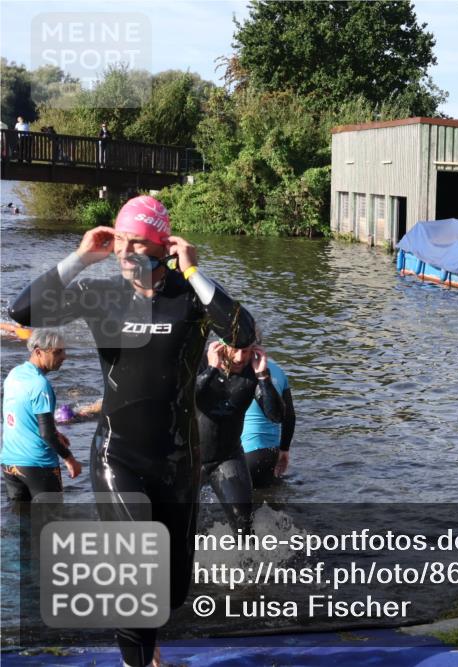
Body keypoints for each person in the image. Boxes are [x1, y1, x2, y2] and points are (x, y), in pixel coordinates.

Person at [8, 195, 256, 667]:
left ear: (164, 249)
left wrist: (195, 272)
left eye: (138, 243)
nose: (125, 252)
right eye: (121, 240)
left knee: (172, 589)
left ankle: (147, 645)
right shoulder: (102, 296)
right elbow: (23, 312)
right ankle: (136, 661)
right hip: (118, 455)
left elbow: (244, 334)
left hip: (179, 459)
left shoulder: (189, 299)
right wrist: (82, 256)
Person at [197, 340, 282, 533]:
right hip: (189, 457)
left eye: (245, 351)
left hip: (227, 457)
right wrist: (211, 370)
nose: (239, 358)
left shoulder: (252, 372)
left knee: (243, 525)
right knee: (179, 521)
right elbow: (185, 396)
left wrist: (263, 376)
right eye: (235, 351)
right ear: (221, 345)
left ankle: (247, 562)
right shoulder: (200, 361)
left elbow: (275, 416)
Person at [1, 329, 82, 503]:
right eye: (58, 352)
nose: (64, 356)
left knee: (20, 523)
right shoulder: (40, 384)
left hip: (10, 464)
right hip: (38, 465)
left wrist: (55, 432)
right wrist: (70, 459)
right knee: (51, 523)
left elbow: (19, 413)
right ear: (38, 352)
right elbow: (46, 434)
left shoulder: (14, 374)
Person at [240, 333, 295, 487]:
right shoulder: (278, 371)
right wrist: (284, 450)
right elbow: (289, 416)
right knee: (269, 501)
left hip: (244, 454)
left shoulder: (238, 371)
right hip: (271, 453)